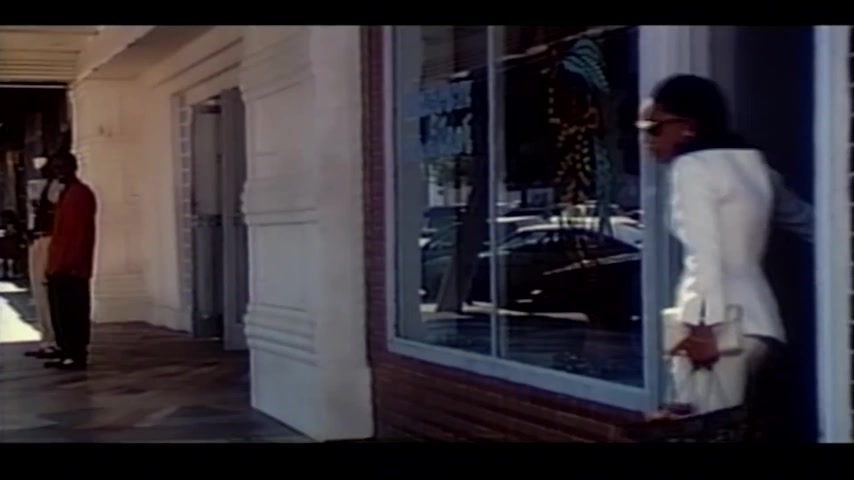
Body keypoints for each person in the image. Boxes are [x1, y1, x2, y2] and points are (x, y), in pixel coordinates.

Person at [637, 75, 785, 418]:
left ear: (688, 127)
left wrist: (700, 329)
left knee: (704, 426)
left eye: (655, 127)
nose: (647, 139)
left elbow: (703, 254)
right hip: (760, 320)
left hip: (717, 327)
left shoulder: (692, 168)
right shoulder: (753, 164)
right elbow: (800, 216)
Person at [44, 152, 97, 370]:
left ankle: (76, 354)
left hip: (72, 266)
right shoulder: (66, 193)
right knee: (62, 313)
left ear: (73, 167)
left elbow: (79, 232)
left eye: (62, 167)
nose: (58, 172)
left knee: (74, 312)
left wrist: (70, 263)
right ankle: (67, 351)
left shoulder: (80, 194)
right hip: (60, 263)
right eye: (55, 168)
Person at [24, 157, 66, 359]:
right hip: (38, 239)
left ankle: (54, 340)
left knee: (47, 291)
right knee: (39, 293)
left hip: (49, 240)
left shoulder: (58, 189)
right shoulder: (39, 187)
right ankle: (47, 339)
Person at [0, 209, 24, 280]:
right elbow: (17, 234)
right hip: (10, 244)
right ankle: (10, 273)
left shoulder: (4, 225)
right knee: (9, 259)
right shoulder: (15, 225)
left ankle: (4, 273)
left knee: (4, 259)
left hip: (5, 244)